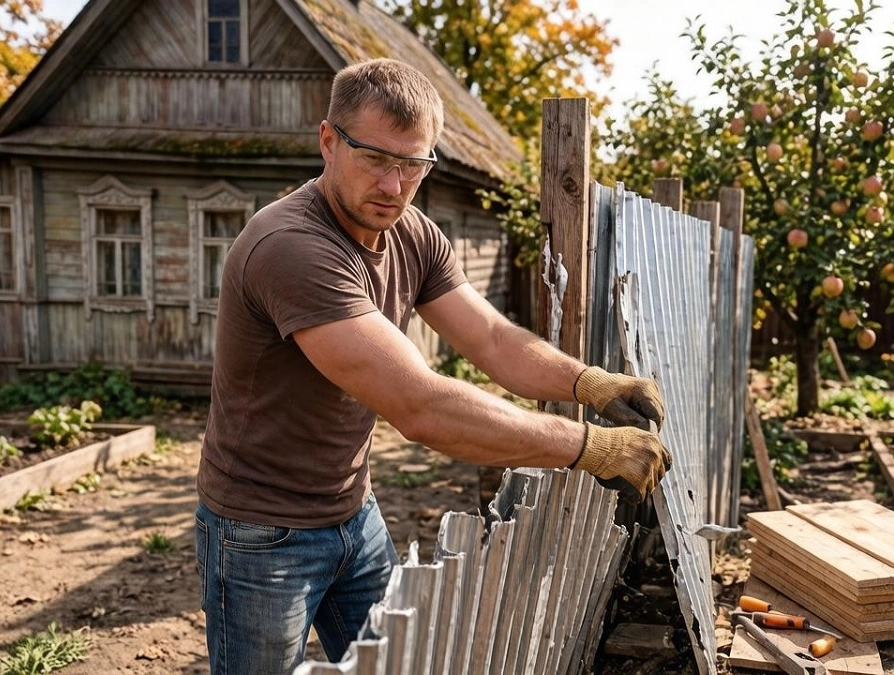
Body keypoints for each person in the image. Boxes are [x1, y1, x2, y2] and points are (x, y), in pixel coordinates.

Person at [195, 57, 671, 675]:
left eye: (413, 165)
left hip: (351, 513)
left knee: (398, 665)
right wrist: (588, 445)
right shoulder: (292, 247)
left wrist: (589, 383)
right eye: (375, 159)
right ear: (328, 142)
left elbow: (496, 341)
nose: (394, 186)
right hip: (260, 534)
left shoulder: (411, 234)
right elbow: (420, 408)